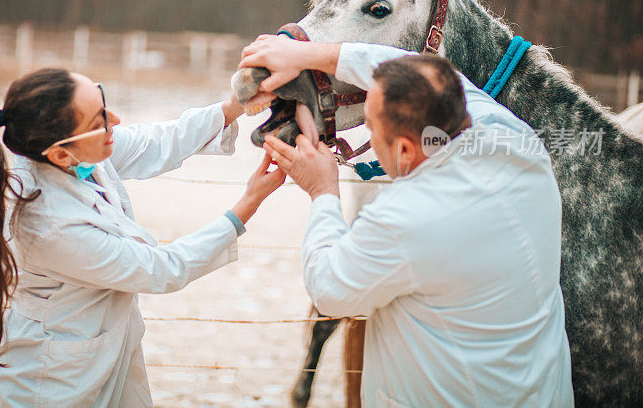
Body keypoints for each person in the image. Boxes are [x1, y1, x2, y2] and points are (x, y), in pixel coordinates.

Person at [241, 37, 574, 407]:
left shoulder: (407, 217)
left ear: (403, 150)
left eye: (370, 126)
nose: (368, 133)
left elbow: (329, 288)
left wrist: (322, 191)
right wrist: (307, 54)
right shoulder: (511, 136)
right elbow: (416, 69)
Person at [0, 68, 286, 407]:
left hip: (105, 347)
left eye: (103, 103)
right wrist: (248, 204)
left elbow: (156, 142)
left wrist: (234, 106)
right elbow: (161, 270)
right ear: (60, 153)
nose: (115, 120)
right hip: (57, 380)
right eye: (98, 121)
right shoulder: (48, 224)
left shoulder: (76, 156)